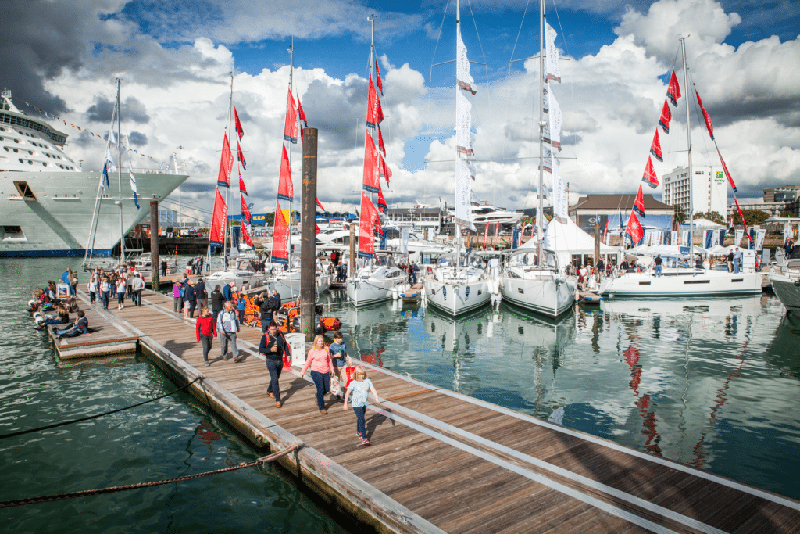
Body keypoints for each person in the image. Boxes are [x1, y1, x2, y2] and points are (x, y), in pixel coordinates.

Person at [343, 366, 380, 446]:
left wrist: (376, 398)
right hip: (356, 404)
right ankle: (364, 438)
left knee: (360, 417)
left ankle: (358, 431)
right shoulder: (353, 383)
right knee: (362, 420)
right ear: (356, 374)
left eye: (363, 374)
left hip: (363, 403)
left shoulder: (367, 381)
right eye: (360, 374)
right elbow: (347, 393)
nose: (362, 376)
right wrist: (345, 404)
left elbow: (373, 389)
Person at [300, 335, 334, 414]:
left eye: (322, 341)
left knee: (327, 389)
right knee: (320, 388)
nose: (321, 343)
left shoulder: (326, 349)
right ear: (316, 342)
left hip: (326, 371)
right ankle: (322, 407)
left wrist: (332, 369)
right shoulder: (312, 351)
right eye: (319, 341)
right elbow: (308, 362)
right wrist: (302, 371)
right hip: (316, 371)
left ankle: (318, 396)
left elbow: (329, 360)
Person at [260, 321, 286, 407]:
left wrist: (288, 355)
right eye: (271, 329)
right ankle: (278, 399)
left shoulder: (281, 335)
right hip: (270, 360)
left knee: (275, 377)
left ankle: (269, 390)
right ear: (268, 329)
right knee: (275, 380)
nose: (273, 331)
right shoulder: (265, 337)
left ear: (277, 328)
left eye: (274, 329)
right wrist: (270, 350)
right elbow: (261, 349)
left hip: (279, 360)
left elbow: (285, 345)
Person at [329, 331, 352, 402]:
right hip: (336, 366)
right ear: (335, 338)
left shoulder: (343, 344)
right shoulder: (332, 346)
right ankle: (337, 395)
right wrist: (335, 356)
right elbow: (329, 357)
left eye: (340, 338)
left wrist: (349, 357)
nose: (339, 340)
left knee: (347, 381)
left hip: (343, 364)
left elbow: (345, 352)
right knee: (337, 381)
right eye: (337, 338)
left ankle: (345, 395)